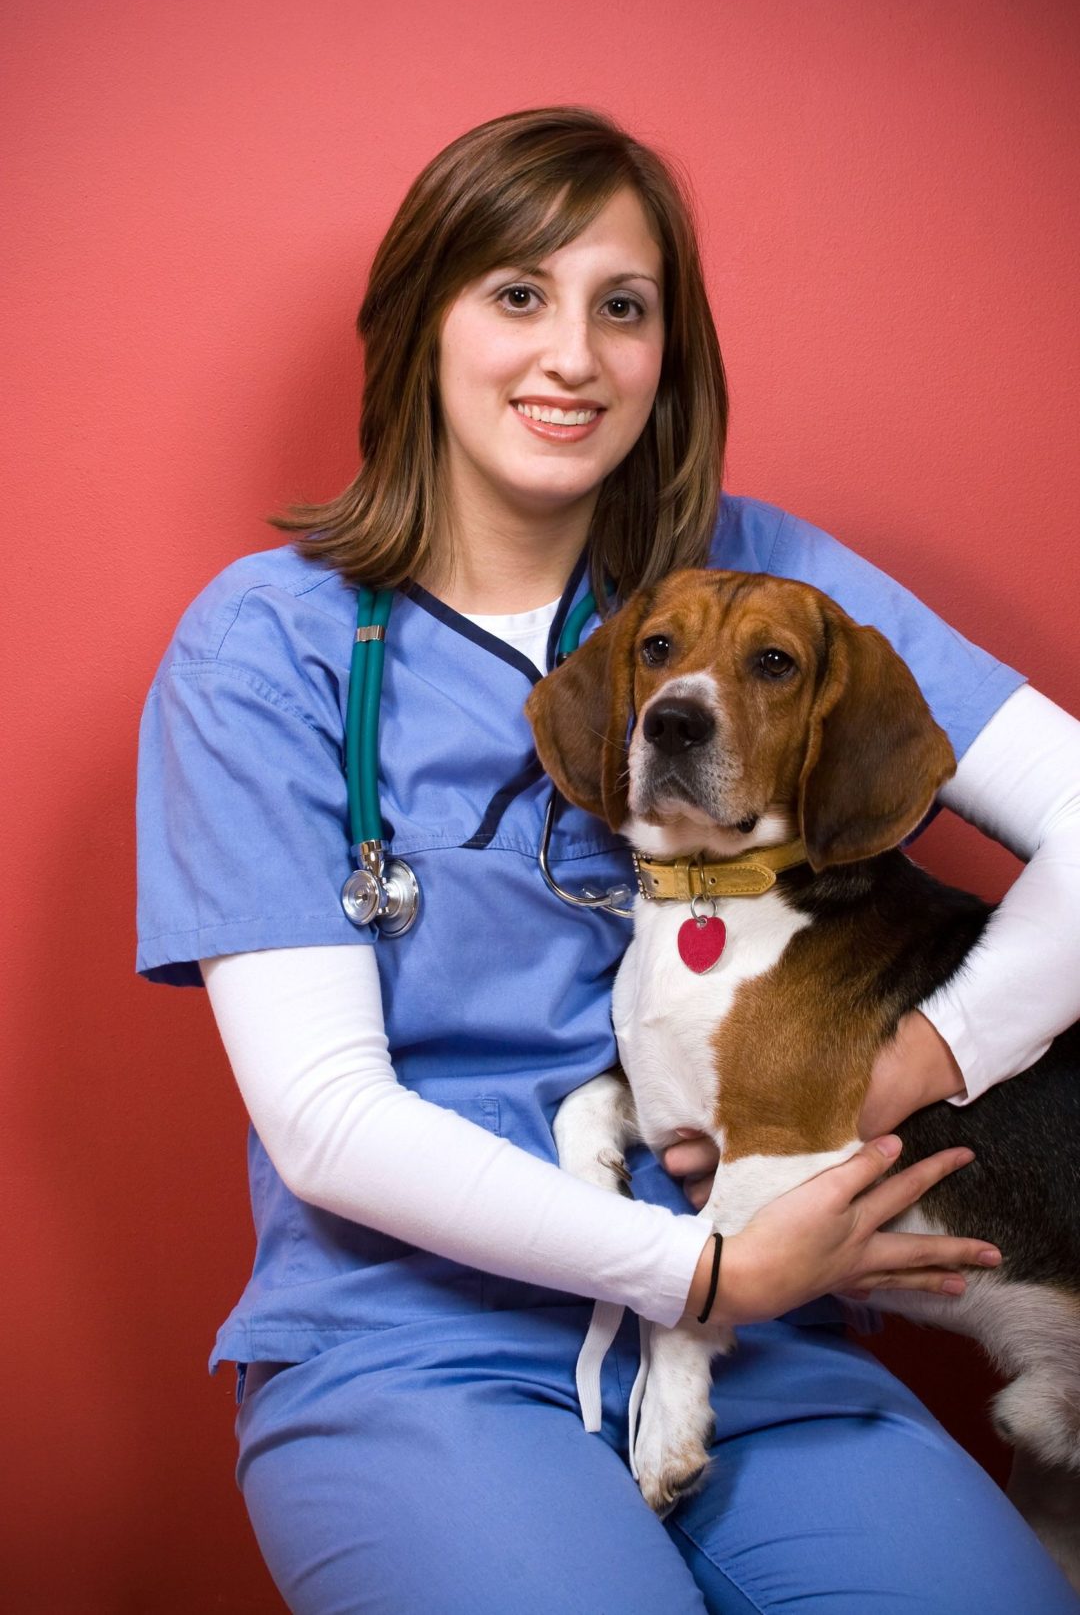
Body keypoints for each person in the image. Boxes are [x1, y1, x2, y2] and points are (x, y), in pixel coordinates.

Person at [136, 107, 1080, 1614]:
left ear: (669, 353)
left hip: (772, 1358)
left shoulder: (763, 574)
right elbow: (324, 1122)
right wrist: (697, 1274)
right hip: (417, 1353)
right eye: (517, 294)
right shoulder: (265, 647)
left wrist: (924, 1056)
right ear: (417, 324)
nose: (572, 355)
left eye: (620, 307)